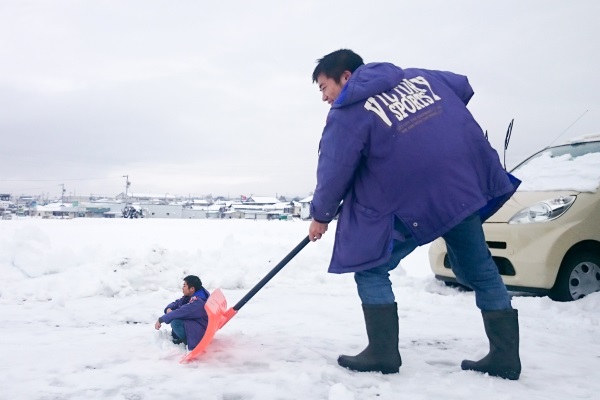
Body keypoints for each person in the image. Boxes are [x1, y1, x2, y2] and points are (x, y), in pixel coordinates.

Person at [308, 49, 522, 379]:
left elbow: (335, 168)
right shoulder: (419, 77)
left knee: (369, 264)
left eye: (324, 87)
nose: (324, 97)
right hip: (460, 187)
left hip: (413, 201)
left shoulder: (348, 109)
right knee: (480, 266)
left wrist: (320, 215)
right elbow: (462, 87)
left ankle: (382, 353)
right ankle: (506, 357)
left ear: (346, 77)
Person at [155, 275, 210, 350]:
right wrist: (169, 308)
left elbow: (180, 312)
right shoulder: (195, 295)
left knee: (175, 322)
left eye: (184, 286)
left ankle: (187, 342)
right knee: (175, 316)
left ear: (192, 288)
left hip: (200, 332)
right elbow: (178, 303)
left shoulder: (197, 302)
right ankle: (180, 338)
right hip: (197, 324)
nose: (182, 288)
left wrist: (161, 319)